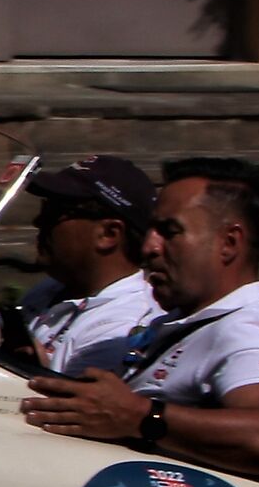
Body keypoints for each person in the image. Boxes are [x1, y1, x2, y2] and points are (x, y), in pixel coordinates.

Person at [19, 156, 259, 482]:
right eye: (152, 229)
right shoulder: (181, 321)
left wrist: (141, 416)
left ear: (229, 243)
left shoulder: (244, 328)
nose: (149, 247)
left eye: (169, 232)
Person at [16, 154, 161, 376]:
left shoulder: (122, 329)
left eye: (55, 211)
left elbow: (71, 407)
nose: (38, 221)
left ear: (108, 234)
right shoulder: (53, 289)